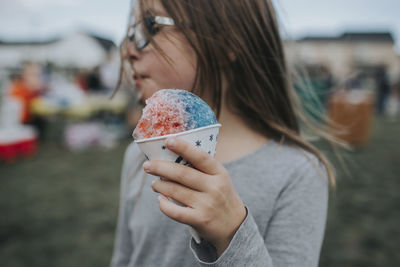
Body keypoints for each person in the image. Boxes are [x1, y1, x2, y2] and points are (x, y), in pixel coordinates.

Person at [111, 1, 335, 266]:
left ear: (226, 40)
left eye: (150, 27)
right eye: (130, 35)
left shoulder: (298, 173)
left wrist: (231, 235)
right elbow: (124, 259)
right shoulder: (139, 157)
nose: (128, 52)